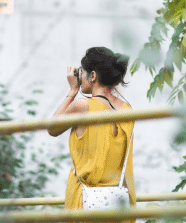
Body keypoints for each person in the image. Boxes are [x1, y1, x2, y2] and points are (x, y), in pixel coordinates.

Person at [47, 47, 136, 215]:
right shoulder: (127, 110)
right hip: (118, 204)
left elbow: (52, 128)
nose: (79, 77)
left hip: (86, 203)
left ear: (93, 76)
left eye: (82, 72)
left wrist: (72, 91)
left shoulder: (82, 106)